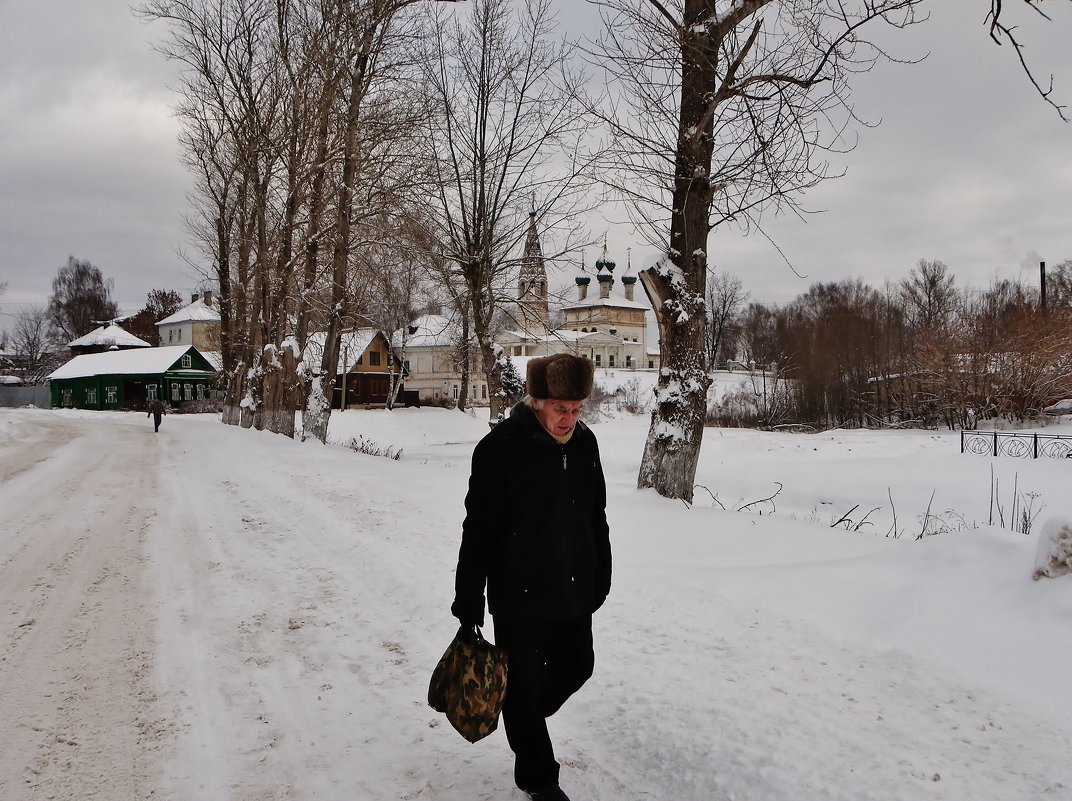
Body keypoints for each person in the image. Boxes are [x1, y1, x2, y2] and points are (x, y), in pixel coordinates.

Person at [451, 353, 611, 801]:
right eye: (561, 408)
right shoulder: (500, 449)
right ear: (536, 400)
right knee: (523, 688)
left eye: (578, 408)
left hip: (574, 587)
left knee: (578, 667)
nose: (570, 418)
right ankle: (539, 779)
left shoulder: (586, 444)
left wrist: (602, 573)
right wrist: (469, 599)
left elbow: (595, 516)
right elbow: (478, 528)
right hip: (518, 594)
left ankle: (518, 711)